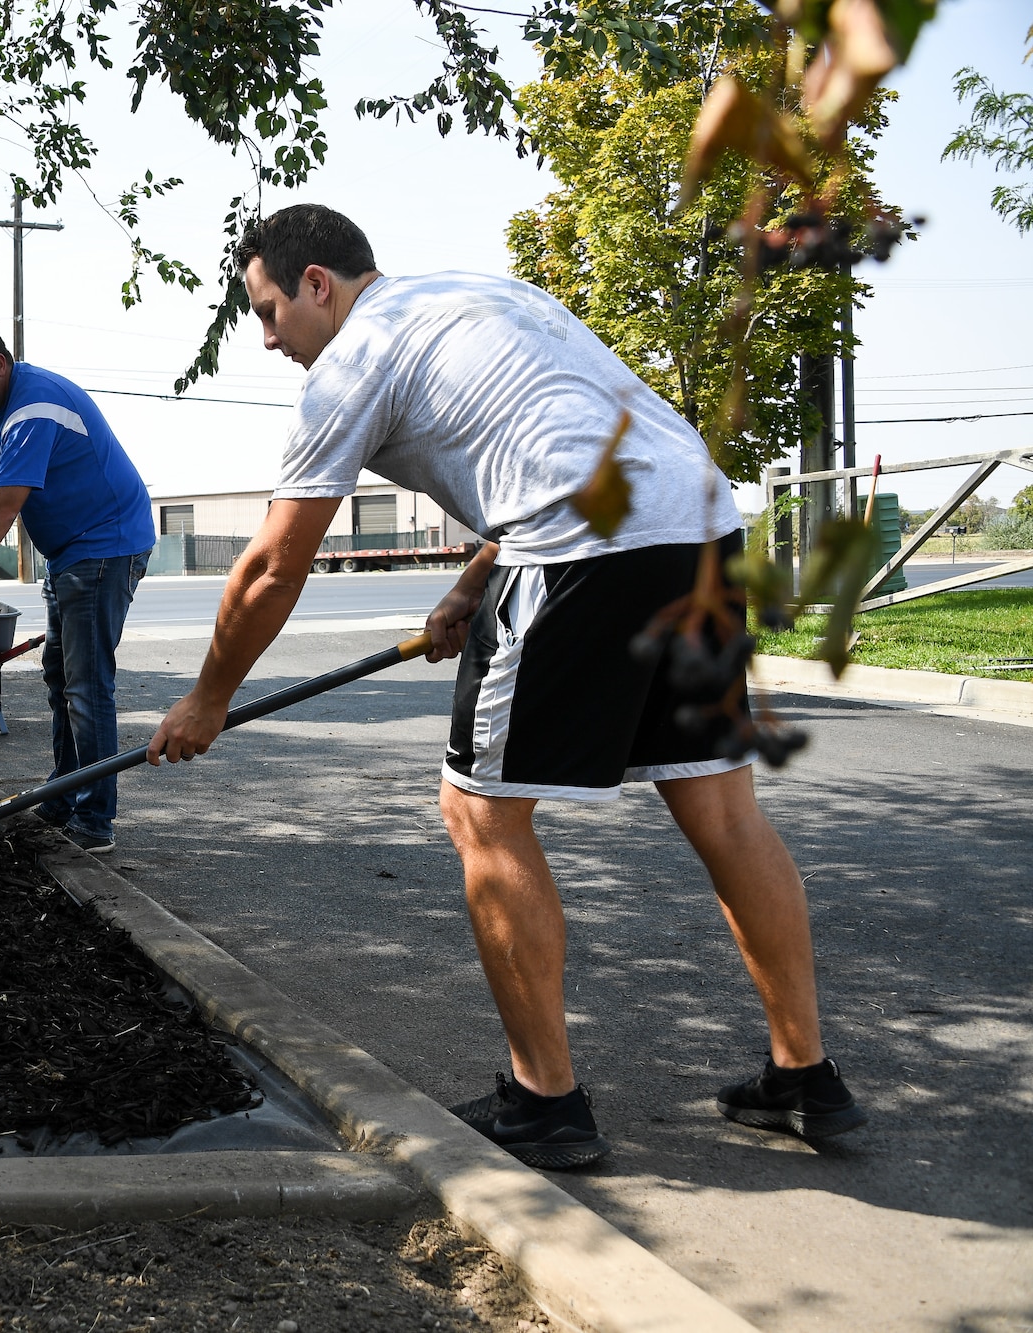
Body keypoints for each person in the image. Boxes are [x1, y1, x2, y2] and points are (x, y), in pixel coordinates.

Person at [144, 204, 864, 1169]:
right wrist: (470, 587)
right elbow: (558, 435)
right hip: (698, 524)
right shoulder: (480, 294)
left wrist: (209, 698)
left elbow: (275, 565)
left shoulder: (353, 363)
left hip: (579, 547)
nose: (268, 338)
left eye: (269, 310)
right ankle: (806, 1079)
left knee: (482, 817)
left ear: (317, 284)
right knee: (722, 807)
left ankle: (545, 1103)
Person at [0, 323, 156, 854]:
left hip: (106, 545)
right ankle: (63, 795)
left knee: (85, 684)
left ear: (1, 363)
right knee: (60, 677)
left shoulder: (34, 408)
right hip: (68, 552)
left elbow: (6, 506)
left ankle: (95, 821)